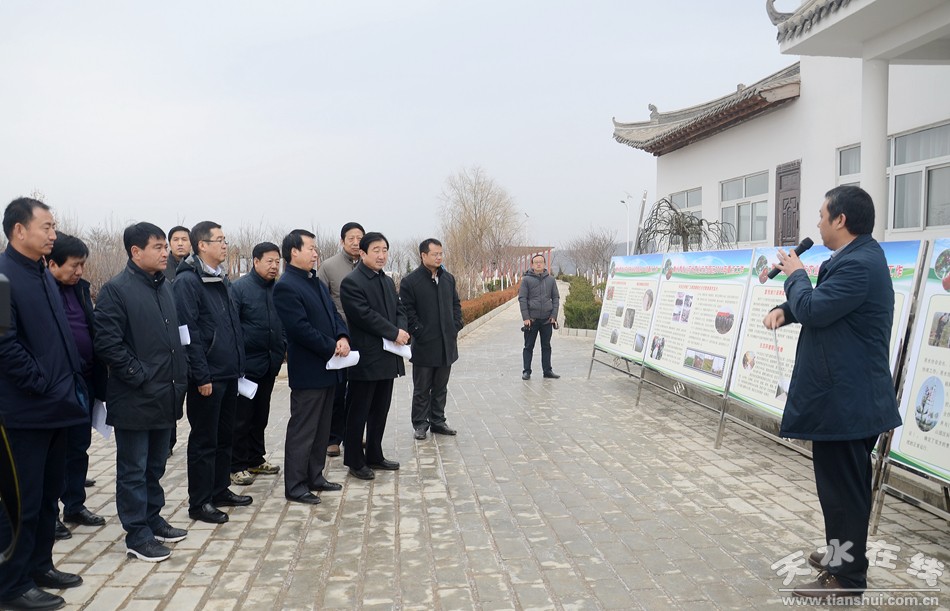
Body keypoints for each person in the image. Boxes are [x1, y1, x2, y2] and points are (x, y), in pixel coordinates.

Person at [764, 185, 901, 601]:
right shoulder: (852, 259)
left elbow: (816, 308)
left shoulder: (860, 264)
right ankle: (840, 555)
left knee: (844, 493)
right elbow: (822, 305)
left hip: (848, 401)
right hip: (842, 398)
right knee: (839, 489)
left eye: (823, 216)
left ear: (841, 220)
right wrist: (785, 310)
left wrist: (795, 275)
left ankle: (847, 578)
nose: (818, 224)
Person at [0, 198, 86, 611]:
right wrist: (42, 383)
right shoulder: (3, 277)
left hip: (56, 408)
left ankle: (40, 566)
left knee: (49, 495)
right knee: (22, 503)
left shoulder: (42, 274)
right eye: (46, 227)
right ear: (19, 230)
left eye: (54, 227)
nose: (54, 234)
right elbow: (4, 346)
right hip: (23, 412)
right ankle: (12, 586)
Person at [94, 222, 190, 562]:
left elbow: (176, 338)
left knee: (155, 466)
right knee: (133, 469)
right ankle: (137, 534)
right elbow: (107, 343)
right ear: (136, 252)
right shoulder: (116, 290)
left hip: (166, 393)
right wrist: (140, 375)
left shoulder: (165, 287)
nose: (166, 252)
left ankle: (153, 518)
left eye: (166, 246)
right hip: (136, 396)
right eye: (158, 247)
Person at [173, 221, 250, 525]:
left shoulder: (220, 277)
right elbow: (188, 333)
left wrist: (239, 366)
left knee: (224, 437)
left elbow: (231, 325)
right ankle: (200, 502)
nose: (225, 245)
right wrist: (201, 376)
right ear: (202, 245)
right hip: (208, 377)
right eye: (219, 240)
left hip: (228, 373)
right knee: (204, 441)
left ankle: (220, 489)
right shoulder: (188, 281)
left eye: (225, 239)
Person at [274, 230, 350, 504]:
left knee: (321, 428)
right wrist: (332, 346)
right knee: (303, 430)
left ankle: (315, 475)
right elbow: (300, 329)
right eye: (311, 248)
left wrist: (342, 336)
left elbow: (334, 314)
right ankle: (295, 485)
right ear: (294, 252)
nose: (316, 253)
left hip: (329, 368)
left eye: (316, 249)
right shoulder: (286, 286)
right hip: (309, 370)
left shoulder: (315, 282)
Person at [47, 233, 107, 539]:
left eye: (82, 264)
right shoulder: (42, 291)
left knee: (78, 447)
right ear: (52, 264)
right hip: (55, 384)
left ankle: (74, 505)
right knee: (53, 453)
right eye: (74, 265)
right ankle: (49, 515)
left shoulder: (81, 290)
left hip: (84, 382)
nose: (80, 271)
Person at [340, 231, 408, 480]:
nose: (381, 255)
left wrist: (402, 330)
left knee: (380, 409)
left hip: (389, 355)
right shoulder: (352, 282)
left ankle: (375, 454)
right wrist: (393, 332)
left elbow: (400, 309)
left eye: (385, 250)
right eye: (376, 250)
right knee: (359, 410)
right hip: (366, 357)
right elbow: (364, 315)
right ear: (362, 253)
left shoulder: (387, 281)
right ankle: (354, 460)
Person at [229, 242, 286, 486]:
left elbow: (284, 323)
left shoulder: (279, 289)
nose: (274, 266)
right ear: (255, 261)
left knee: (261, 415)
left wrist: (282, 346)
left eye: (277, 262)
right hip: (247, 366)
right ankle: (236, 464)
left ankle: (255, 458)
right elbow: (232, 327)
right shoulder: (239, 288)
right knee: (241, 418)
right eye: (269, 261)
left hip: (269, 362)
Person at [399, 238, 463, 441]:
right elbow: (407, 311)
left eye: (441, 253)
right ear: (423, 255)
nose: (439, 257)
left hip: (446, 343)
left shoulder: (448, 279)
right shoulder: (411, 282)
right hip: (425, 344)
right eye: (435, 254)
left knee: (441, 387)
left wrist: (456, 325)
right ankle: (420, 423)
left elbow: (456, 304)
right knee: (422, 388)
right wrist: (419, 331)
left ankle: (438, 421)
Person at [317, 221, 364, 458]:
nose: (356, 243)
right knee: (337, 390)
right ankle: (333, 438)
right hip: (339, 337)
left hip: (364, 337)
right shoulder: (329, 266)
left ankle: (352, 434)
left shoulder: (368, 265)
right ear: (342, 241)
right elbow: (322, 302)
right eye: (351, 238)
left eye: (359, 238)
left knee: (359, 390)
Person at [164, 225, 191, 456]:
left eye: (184, 239)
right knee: (171, 391)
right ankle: (167, 441)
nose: (180, 243)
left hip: (193, 339)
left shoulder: (196, 267)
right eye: (176, 239)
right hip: (170, 338)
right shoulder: (162, 267)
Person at [518, 254, 560, 380]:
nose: (538, 264)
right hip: (531, 320)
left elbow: (556, 298)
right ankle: (526, 371)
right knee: (528, 346)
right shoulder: (526, 280)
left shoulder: (551, 280)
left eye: (541, 262)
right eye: (536, 262)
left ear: (544, 264)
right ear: (532, 264)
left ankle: (547, 371)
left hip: (547, 319)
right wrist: (526, 317)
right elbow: (522, 298)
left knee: (546, 346)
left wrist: (554, 315)